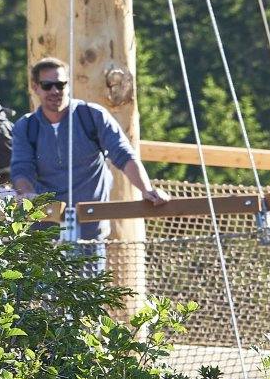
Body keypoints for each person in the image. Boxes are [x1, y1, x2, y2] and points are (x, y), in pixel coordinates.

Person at [9, 56, 171, 266]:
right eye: (47, 85)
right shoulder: (26, 127)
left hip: (90, 234)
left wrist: (147, 190)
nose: (55, 91)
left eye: (61, 84)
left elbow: (123, 154)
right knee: (42, 288)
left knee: (89, 286)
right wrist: (28, 196)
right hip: (44, 237)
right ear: (35, 87)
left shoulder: (92, 117)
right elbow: (22, 169)